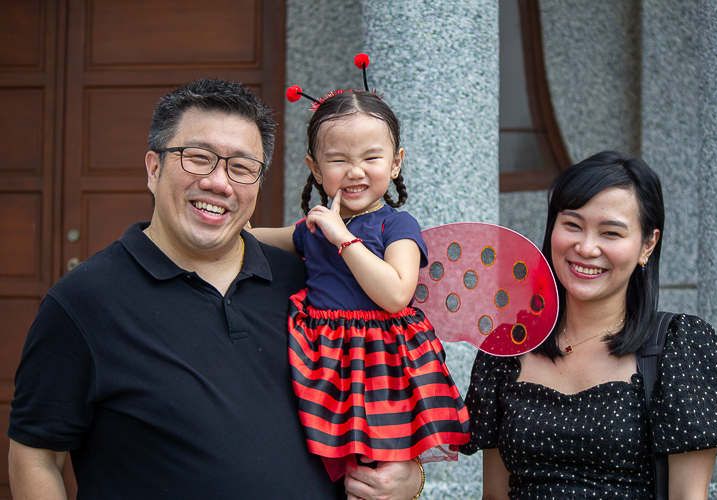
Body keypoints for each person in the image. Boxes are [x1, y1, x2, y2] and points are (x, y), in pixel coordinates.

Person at [7, 78, 421, 500]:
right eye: (198, 158)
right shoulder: (84, 300)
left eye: (241, 167)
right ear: (154, 168)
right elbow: (35, 457)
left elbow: (376, 391)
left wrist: (410, 478)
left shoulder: (310, 283)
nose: (219, 183)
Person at [460, 151, 717, 498]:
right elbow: (494, 495)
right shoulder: (508, 345)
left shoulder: (678, 345)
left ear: (647, 245)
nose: (586, 247)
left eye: (610, 233)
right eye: (572, 225)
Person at [251, 89, 470, 484]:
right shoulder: (315, 228)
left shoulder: (396, 226)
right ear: (316, 169)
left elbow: (396, 294)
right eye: (338, 160)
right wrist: (235, 230)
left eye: (371, 158)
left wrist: (343, 240)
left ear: (396, 162)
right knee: (319, 462)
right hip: (324, 360)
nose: (355, 171)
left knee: (376, 469)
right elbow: (261, 238)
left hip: (380, 360)